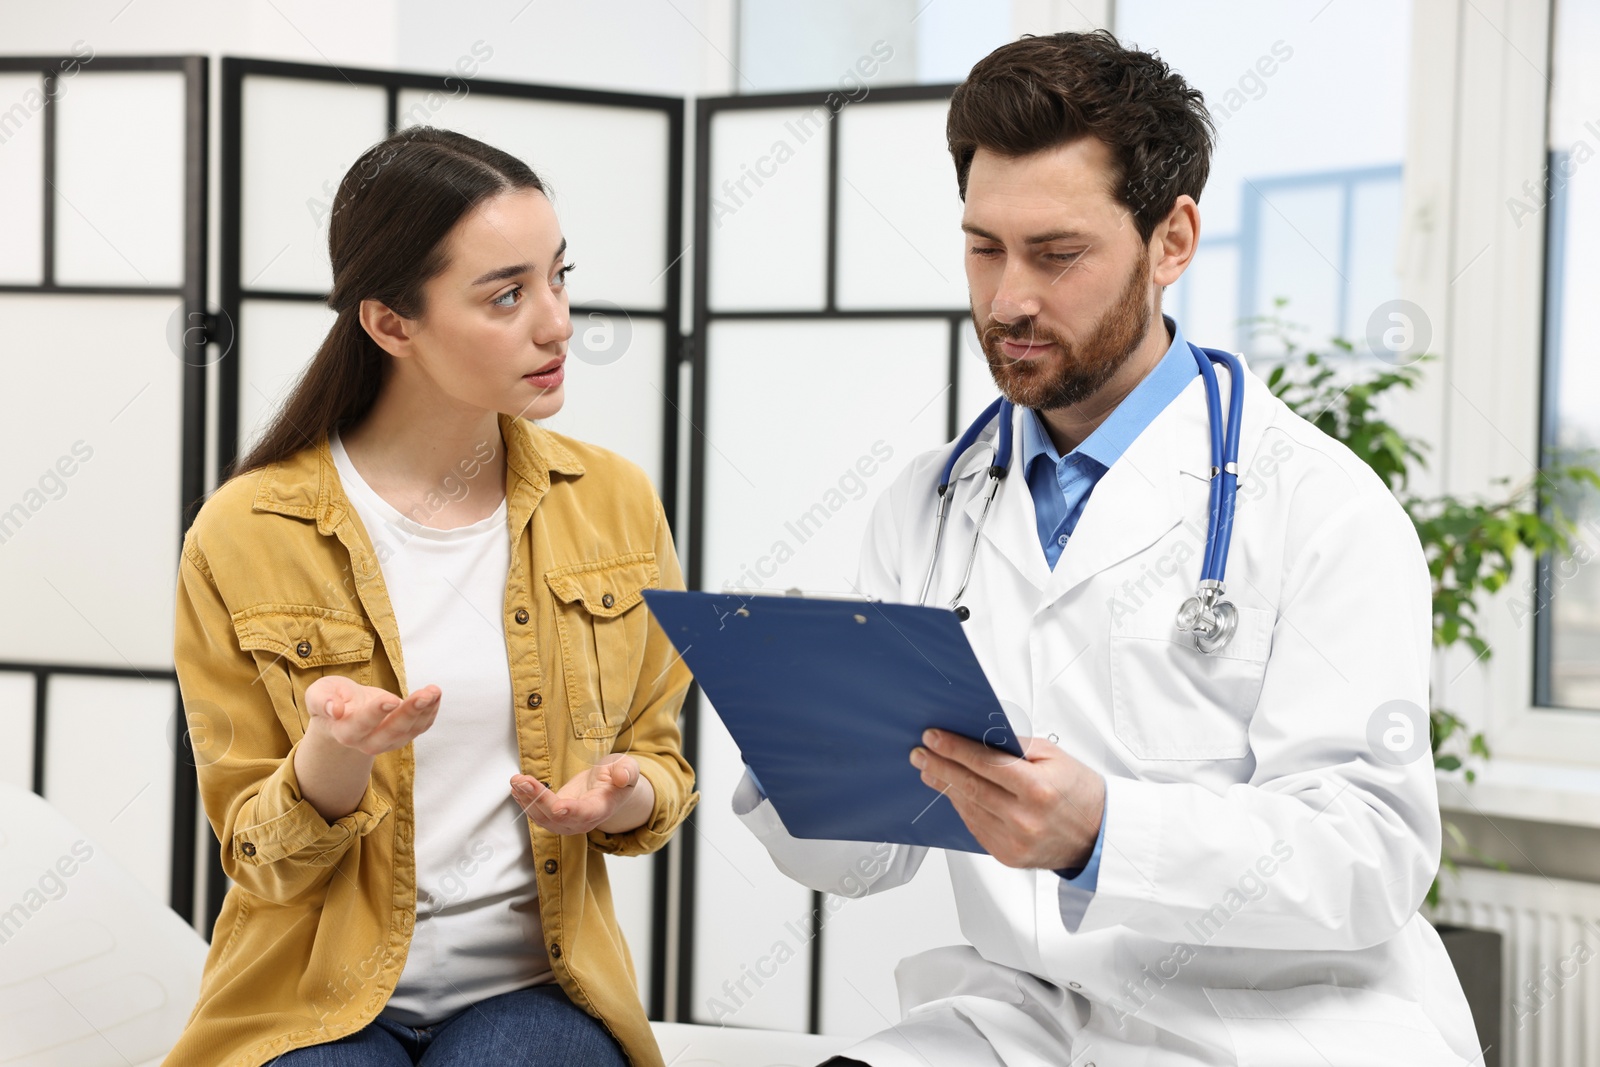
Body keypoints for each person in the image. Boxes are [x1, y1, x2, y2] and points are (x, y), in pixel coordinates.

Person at [731, 30, 1483, 1067]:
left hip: (1281, 1029)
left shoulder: (1321, 507)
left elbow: (1369, 858)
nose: (1006, 301)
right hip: (1024, 1018)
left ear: (1170, 241)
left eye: (1056, 253)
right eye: (982, 246)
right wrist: (800, 756)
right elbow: (866, 864)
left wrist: (1103, 833)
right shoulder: (929, 507)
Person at [167, 126, 696, 1067]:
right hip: (308, 1001)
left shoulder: (613, 505)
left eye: (557, 277)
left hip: (533, 990)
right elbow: (256, 854)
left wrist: (618, 795)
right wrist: (332, 755)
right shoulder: (244, 529)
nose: (557, 323)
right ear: (390, 324)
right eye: (507, 295)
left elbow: (657, 760)